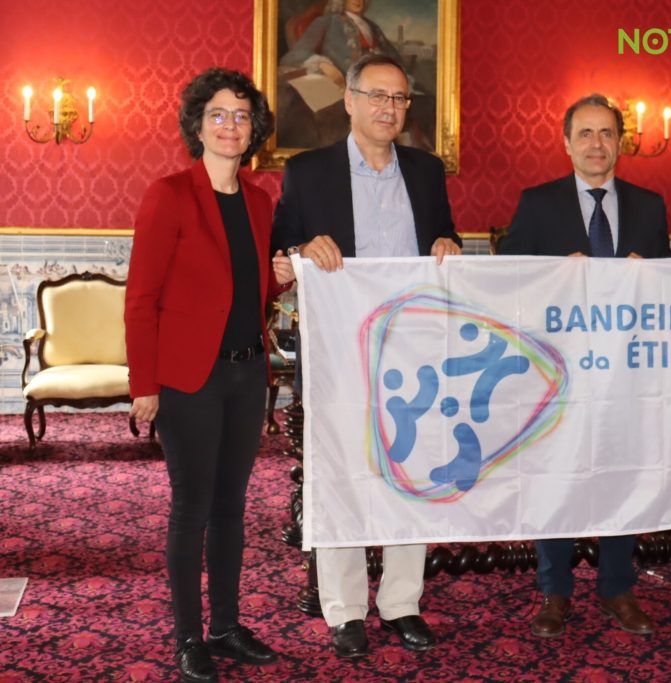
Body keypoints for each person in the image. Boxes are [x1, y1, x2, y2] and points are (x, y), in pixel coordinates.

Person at [271, 53, 461, 658]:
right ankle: (345, 610)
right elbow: (282, 248)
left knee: (411, 472)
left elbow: (446, 238)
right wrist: (301, 248)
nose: (388, 107)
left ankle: (402, 602)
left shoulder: (426, 171)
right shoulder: (308, 171)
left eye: (399, 98)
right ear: (348, 100)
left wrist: (447, 243)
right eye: (376, 95)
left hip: (414, 349)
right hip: (339, 352)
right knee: (342, 476)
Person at [125, 68, 296, 682]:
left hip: (247, 377)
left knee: (232, 507)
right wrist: (144, 385)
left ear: (254, 131)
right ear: (197, 126)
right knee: (191, 508)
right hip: (187, 381)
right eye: (218, 114)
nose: (231, 125)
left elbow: (244, 288)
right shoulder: (169, 194)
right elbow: (141, 299)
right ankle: (188, 636)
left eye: (242, 116)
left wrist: (277, 280)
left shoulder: (258, 200)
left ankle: (225, 626)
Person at [499, 93, 671, 638]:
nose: (597, 144)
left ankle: (617, 587)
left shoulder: (650, 205)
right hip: (559, 373)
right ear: (566, 142)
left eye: (606, 134)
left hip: (625, 372)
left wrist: (652, 275)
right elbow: (507, 279)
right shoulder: (537, 203)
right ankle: (555, 591)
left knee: (622, 474)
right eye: (586, 134)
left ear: (620, 142)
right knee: (558, 477)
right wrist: (554, 271)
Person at [277, 0, 404, 149]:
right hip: (343, 86)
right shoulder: (328, 21)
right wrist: (323, 64)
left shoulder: (373, 27)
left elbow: (396, 60)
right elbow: (295, 55)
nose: (358, 1)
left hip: (380, 90)